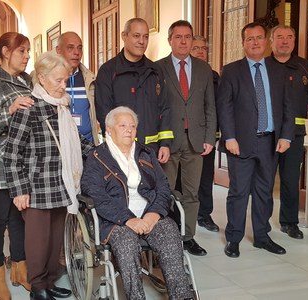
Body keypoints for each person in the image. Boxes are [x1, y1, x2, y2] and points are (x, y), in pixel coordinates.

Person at [81, 106, 194, 300]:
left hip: (150, 213)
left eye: (132, 126)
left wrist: (154, 214)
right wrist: (128, 219)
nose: (129, 130)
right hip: (116, 220)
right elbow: (96, 194)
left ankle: (182, 296)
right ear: (109, 129)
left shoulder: (146, 152)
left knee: (169, 235)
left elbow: (163, 187)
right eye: (122, 125)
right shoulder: (97, 157)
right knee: (126, 244)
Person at [5, 51, 93, 300]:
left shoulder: (62, 106)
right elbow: (12, 154)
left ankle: (49, 281)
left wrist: (101, 152)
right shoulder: (28, 109)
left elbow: (76, 141)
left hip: (62, 184)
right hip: (36, 188)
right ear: (41, 78)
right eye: (58, 80)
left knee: (56, 241)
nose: (63, 85)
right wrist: (19, 189)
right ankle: (37, 287)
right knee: (38, 243)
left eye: (65, 80)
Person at [216, 22, 294, 258]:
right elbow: (225, 107)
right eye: (250, 39)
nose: (255, 42)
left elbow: (288, 107)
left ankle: (262, 236)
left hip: (270, 142)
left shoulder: (279, 71)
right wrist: (229, 136)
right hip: (240, 143)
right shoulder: (231, 71)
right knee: (239, 192)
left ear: (266, 41)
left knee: (264, 191)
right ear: (243, 43)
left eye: (259, 37)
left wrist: (286, 135)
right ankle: (234, 238)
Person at [0, 32, 34, 299]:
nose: (26, 56)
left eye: (27, 51)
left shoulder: (25, 81)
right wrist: (9, 110)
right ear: (4, 52)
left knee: (19, 220)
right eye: (21, 51)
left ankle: (20, 269)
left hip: (22, 165)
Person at [157, 20, 216, 256]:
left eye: (188, 37)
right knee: (166, 192)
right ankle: (166, 238)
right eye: (178, 37)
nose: (183, 41)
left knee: (192, 194)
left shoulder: (204, 69)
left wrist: (210, 137)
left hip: (196, 140)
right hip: (168, 141)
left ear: (193, 40)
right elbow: (156, 107)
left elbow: (210, 106)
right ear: (170, 40)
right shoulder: (158, 67)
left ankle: (188, 237)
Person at [95, 18, 173, 163]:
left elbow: (164, 108)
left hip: (151, 152)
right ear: (124, 36)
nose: (142, 41)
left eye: (145, 37)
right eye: (136, 36)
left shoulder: (155, 71)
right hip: (119, 151)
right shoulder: (108, 71)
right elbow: (104, 112)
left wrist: (165, 144)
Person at [267, 25, 308, 240]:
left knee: (290, 179)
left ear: (294, 41)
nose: (284, 41)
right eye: (279, 37)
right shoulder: (263, 65)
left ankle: (289, 222)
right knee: (265, 181)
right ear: (271, 41)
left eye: (289, 37)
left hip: (295, 134)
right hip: (267, 133)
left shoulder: (304, 66)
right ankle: (262, 222)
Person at [190, 35, 222, 233]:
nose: (201, 52)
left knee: (205, 177)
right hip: (185, 135)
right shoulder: (182, 72)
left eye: (204, 48)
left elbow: (217, 106)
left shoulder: (214, 76)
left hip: (207, 135)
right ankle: (184, 215)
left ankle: (204, 214)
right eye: (196, 48)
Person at [55, 31, 100, 145]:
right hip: (61, 147)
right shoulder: (47, 80)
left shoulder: (90, 79)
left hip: (88, 147)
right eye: (70, 48)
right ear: (58, 51)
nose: (76, 52)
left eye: (80, 48)